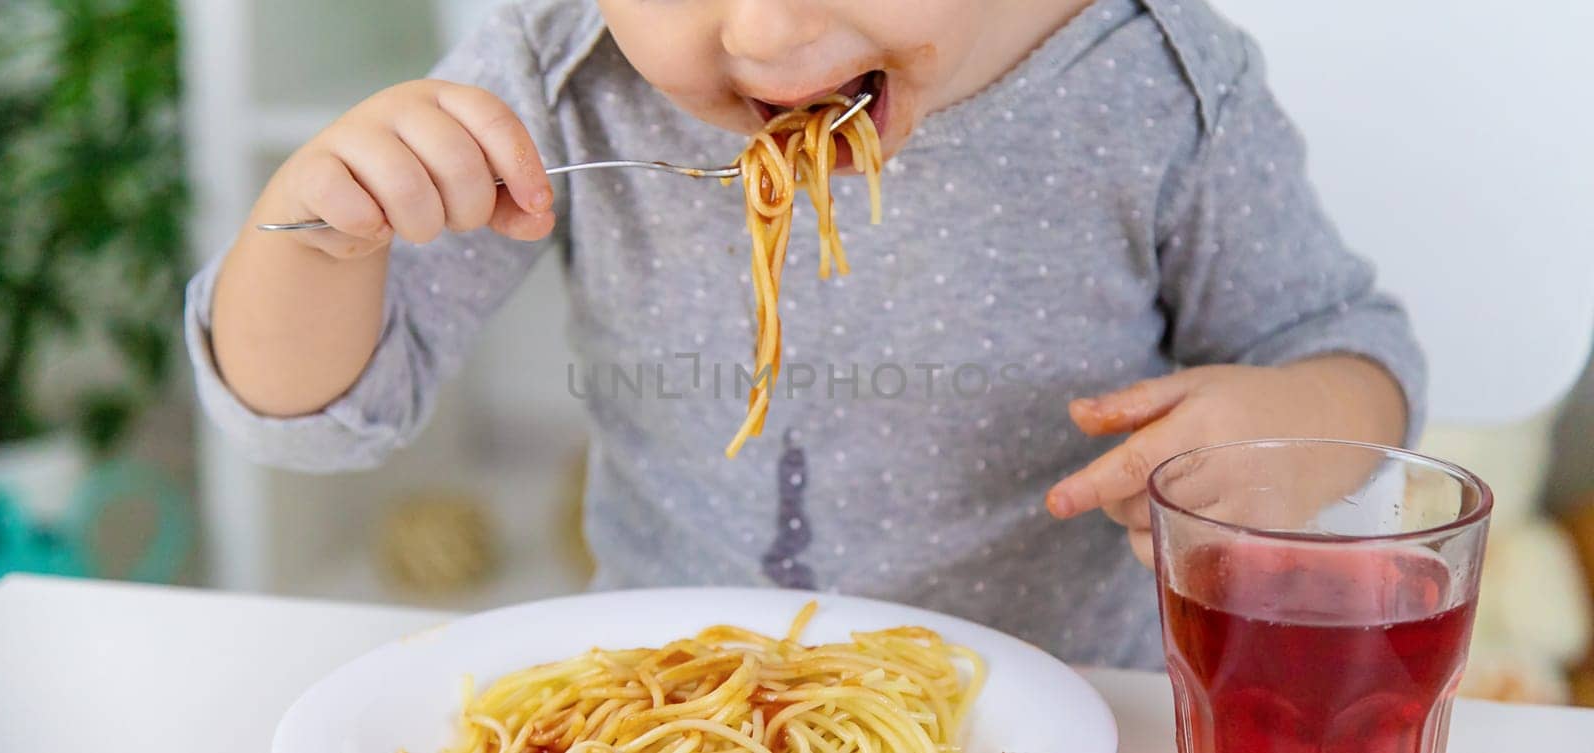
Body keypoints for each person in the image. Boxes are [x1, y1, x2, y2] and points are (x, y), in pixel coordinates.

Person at [186, 0, 1422, 668]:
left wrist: (1278, 435)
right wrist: (315, 236)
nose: (768, 35)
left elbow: (1350, 350)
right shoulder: (563, 73)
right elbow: (314, 421)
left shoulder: (1162, 86)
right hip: (681, 689)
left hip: (1062, 698)